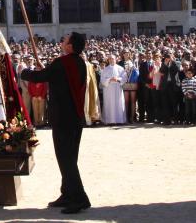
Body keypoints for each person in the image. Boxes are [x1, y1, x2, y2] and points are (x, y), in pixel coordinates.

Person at [21, 32, 90, 214]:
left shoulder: (62, 63)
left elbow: (40, 77)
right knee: (70, 157)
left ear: (70, 46)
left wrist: (23, 71)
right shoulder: (79, 63)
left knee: (66, 159)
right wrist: (48, 71)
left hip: (63, 118)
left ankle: (79, 198)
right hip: (75, 118)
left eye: (65, 39)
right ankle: (67, 194)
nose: (62, 41)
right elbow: (55, 77)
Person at [99, 55, 126, 125]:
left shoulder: (120, 68)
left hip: (117, 88)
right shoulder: (105, 69)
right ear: (108, 60)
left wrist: (118, 79)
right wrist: (109, 79)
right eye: (110, 59)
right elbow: (102, 80)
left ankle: (119, 120)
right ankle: (109, 120)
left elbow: (124, 77)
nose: (111, 60)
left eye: (113, 59)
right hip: (108, 89)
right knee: (109, 104)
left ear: (115, 59)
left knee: (118, 103)